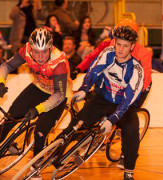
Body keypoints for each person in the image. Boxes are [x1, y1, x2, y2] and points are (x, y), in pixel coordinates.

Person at [60, 26, 144, 180]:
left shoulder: (137, 69)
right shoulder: (107, 53)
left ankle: (129, 172)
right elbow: (93, 72)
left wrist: (112, 120)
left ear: (132, 47)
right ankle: (54, 149)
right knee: (77, 123)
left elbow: (128, 100)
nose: (120, 49)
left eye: (125, 46)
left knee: (131, 131)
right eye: (118, 44)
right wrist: (84, 89)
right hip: (102, 98)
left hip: (123, 106)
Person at [0, 27, 72, 179]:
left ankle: (36, 168)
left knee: (40, 132)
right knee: (11, 116)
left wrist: (38, 109)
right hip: (38, 87)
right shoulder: (27, 50)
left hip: (58, 95)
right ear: (31, 48)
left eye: (44, 51)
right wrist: (1, 83)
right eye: (36, 51)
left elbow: (58, 94)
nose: (40, 56)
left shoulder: (59, 61)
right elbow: (6, 66)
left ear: (51, 48)